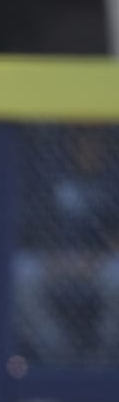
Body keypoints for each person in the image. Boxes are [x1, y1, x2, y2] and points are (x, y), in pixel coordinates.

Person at [13, 127, 119, 363]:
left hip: (100, 264)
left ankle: (106, 355)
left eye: (96, 146)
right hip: (56, 262)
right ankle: (59, 353)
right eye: (83, 145)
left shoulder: (113, 182)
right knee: (21, 272)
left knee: (117, 276)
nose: (90, 152)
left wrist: (94, 259)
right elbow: (34, 230)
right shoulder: (51, 179)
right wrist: (54, 258)